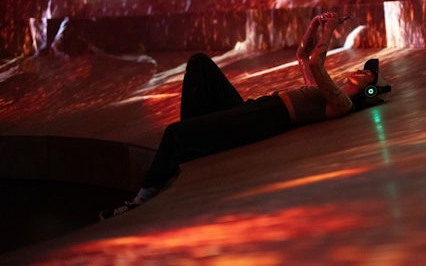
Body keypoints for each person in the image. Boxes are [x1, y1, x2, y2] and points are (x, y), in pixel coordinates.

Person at [100, 12, 391, 220]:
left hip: (265, 119)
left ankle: (142, 198)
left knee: (174, 134)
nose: (360, 71)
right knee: (200, 63)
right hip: (255, 107)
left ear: (369, 90)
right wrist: (315, 27)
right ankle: (196, 138)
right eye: (364, 68)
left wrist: (331, 31)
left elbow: (316, 64)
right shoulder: (325, 91)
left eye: (367, 74)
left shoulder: (343, 104)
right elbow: (303, 56)